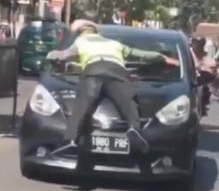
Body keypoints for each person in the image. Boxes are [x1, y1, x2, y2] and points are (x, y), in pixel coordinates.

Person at [46, 20, 179, 153]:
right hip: (116, 72)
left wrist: (51, 56)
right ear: (95, 31)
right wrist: (162, 57)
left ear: (79, 33)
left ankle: (71, 140)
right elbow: (140, 54)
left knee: (82, 106)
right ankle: (134, 129)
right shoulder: (114, 43)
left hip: (93, 72)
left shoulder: (80, 42)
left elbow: (63, 55)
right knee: (127, 102)